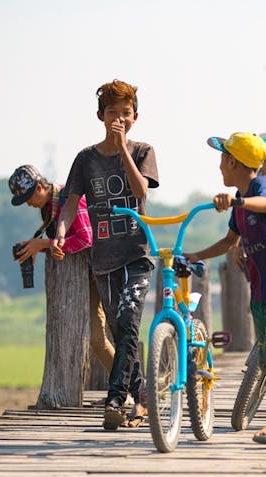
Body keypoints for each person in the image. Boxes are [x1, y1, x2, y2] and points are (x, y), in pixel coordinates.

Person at [184, 132, 266, 449]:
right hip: (261, 288)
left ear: (232, 161)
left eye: (222, 159)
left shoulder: (257, 186)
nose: (220, 166)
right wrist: (196, 255)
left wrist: (237, 200)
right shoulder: (241, 199)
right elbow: (229, 243)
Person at [54, 79, 159, 430]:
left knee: (129, 321)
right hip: (104, 259)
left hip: (137, 253)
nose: (119, 118)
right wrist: (60, 233)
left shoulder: (143, 151)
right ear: (100, 116)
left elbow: (139, 191)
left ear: (135, 117)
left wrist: (122, 148)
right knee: (121, 331)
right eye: (112, 112)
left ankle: (115, 400)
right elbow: (70, 204)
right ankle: (142, 399)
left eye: (125, 113)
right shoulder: (85, 159)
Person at [8, 165, 115, 392]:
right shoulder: (49, 207)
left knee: (119, 335)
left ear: (39, 187)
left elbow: (86, 239)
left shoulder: (70, 197)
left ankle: (136, 391)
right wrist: (40, 249)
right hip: (88, 277)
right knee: (98, 340)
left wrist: (43, 244)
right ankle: (133, 390)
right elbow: (65, 244)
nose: (27, 203)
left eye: (28, 197)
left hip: (108, 272)